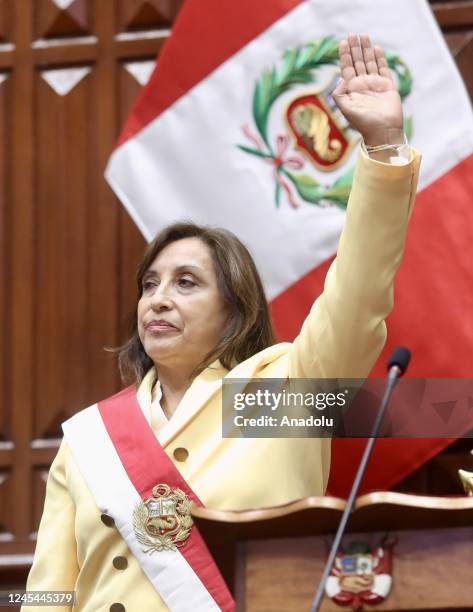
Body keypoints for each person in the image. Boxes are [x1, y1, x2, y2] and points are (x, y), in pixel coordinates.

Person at [23, 34, 420, 612]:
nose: (158, 300)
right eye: (149, 284)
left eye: (186, 283)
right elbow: (48, 591)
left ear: (236, 308)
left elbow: (358, 294)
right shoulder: (89, 436)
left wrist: (383, 146)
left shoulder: (283, 394)